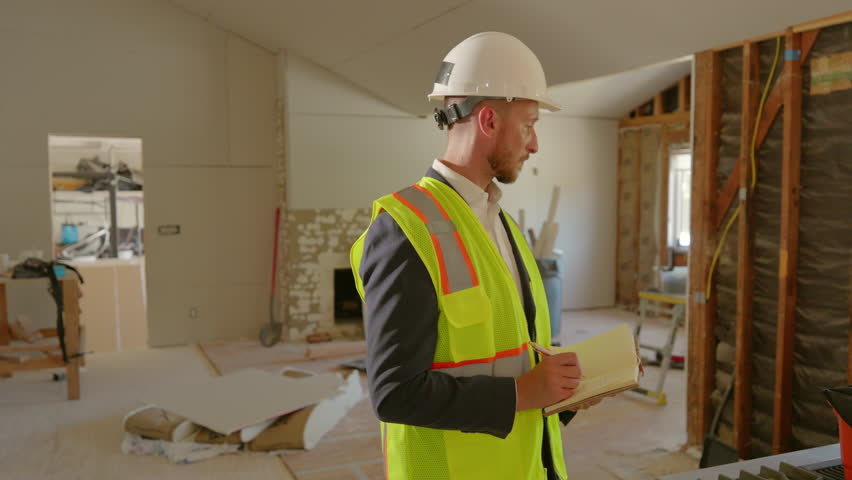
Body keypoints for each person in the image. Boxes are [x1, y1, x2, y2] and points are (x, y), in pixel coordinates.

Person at [350, 32, 600, 480]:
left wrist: (565, 393)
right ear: (488, 120)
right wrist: (523, 393)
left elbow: (510, 357)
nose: (535, 143)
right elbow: (394, 393)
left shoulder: (501, 225)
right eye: (528, 124)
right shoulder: (405, 229)